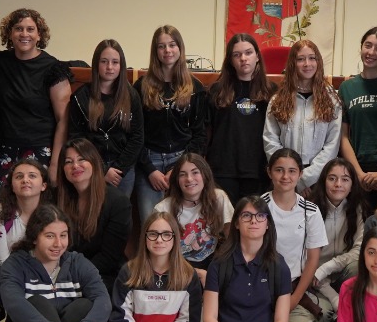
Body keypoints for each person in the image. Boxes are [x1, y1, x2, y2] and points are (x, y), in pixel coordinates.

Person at [162, 194, 295, 322]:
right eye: (246, 216)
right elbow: (210, 318)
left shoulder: (279, 266)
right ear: (236, 224)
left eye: (260, 216)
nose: (254, 221)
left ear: (268, 224)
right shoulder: (219, 263)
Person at [96, 209, 210, 322]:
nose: (159, 240)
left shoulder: (187, 275)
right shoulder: (129, 271)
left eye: (166, 234)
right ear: (145, 237)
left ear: (175, 238)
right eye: (153, 234)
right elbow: (120, 317)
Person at [0, 7, 71, 197]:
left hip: (39, 151)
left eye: (30, 29)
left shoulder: (53, 68)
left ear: (39, 35)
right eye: (18, 28)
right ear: (10, 34)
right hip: (2, 149)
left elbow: (63, 120)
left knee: (36, 210)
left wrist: (56, 163)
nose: (24, 34)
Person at [260, 148, 328, 322]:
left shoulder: (310, 211)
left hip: (293, 288)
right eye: (279, 170)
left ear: (300, 174)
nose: (285, 176)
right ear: (269, 172)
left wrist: (293, 299)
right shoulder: (258, 206)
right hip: (261, 287)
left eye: (291, 171)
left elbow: (312, 260)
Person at [135, 25, 209, 221]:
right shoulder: (141, 86)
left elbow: (199, 134)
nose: (167, 50)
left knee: (184, 223)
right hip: (149, 162)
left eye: (172, 45)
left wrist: (179, 168)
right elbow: (135, 134)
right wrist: (150, 170)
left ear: (180, 48)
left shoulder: (195, 87)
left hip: (182, 161)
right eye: (161, 46)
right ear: (155, 51)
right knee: (150, 222)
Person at [69, 39, 145, 196]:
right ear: (96, 64)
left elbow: (137, 136)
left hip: (122, 171)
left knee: (120, 209)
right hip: (91, 168)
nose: (110, 67)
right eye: (104, 61)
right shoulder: (80, 97)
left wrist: (119, 169)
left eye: (115, 62)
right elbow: (77, 139)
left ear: (121, 65)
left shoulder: (131, 95)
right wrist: (102, 169)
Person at [264, 38, 342, 190]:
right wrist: (289, 174)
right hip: (285, 179)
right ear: (292, 63)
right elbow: (270, 140)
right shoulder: (278, 100)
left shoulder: (331, 100)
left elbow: (332, 144)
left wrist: (306, 179)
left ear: (318, 62)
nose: (307, 64)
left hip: (319, 178)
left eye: (312, 58)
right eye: (301, 59)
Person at [56, 139, 133, 291]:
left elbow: (109, 257)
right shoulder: (57, 198)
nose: (75, 166)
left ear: (94, 162)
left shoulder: (118, 202)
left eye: (81, 159)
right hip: (63, 274)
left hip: (104, 276)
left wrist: (72, 277)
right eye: (68, 162)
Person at [208, 32, 274, 202]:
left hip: (258, 172)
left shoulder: (271, 91)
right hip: (223, 172)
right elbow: (207, 132)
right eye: (237, 55)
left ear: (257, 56)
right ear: (230, 60)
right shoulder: (216, 91)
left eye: (248, 53)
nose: (243, 58)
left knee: (254, 218)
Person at [154, 151, 233, 278]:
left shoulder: (219, 197)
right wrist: (197, 274)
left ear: (205, 175)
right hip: (177, 266)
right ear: (177, 180)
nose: (189, 179)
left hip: (212, 261)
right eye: (182, 174)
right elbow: (159, 255)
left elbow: (232, 237)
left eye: (195, 172)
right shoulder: (163, 208)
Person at [338, 26, 377, 192]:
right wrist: (358, 174)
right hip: (356, 170)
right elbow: (343, 136)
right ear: (361, 48)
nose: (371, 52)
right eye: (368, 46)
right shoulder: (346, 87)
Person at [309, 159, 363, 310]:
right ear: (323, 182)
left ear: (352, 185)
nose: (338, 184)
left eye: (345, 179)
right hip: (314, 279)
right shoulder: (310, 210)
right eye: (332, 178)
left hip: (342, 272)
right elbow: (304, 260)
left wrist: (327, 268)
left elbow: (359, 250)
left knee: (357, 266)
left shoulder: (357, 209)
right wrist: (333, 297)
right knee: (324, 314)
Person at [0, 158, 48, 267]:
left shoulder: (52, 215)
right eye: (19, 176)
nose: (25, 180)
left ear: (43, 186)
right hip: (10, 273)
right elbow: (3, 261)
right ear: (12, 187)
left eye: (32, 176)